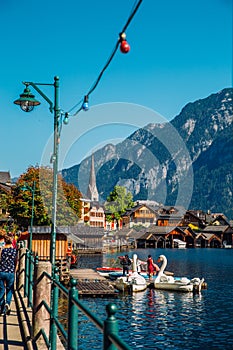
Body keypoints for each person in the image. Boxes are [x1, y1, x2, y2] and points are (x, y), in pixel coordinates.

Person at [0, 234, 18, 316]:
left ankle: (2, 310)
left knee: (1, 290)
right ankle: (7, 303)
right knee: (10, 289)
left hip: (1, 272)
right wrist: (15, 270)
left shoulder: (2, 250)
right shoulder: (14, 251)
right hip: (10, 272)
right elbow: (16, 262)